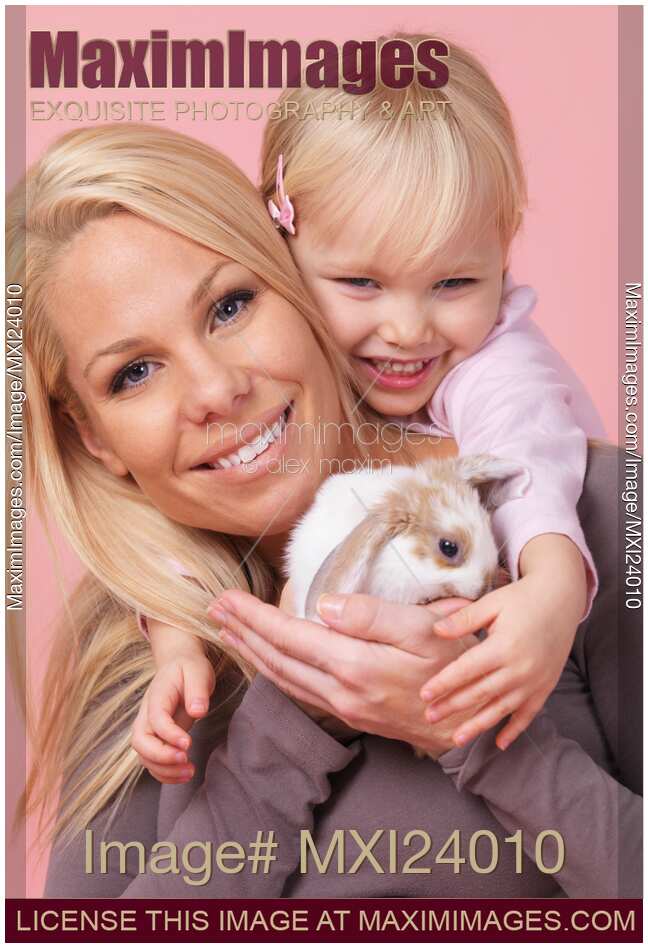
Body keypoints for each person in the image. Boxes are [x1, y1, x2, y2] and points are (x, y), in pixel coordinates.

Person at [15, 125, 640, 900]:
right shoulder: (136, 658)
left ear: (300, 284)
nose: (215, 391)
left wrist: (471, 728)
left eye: (231, 305)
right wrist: (290, 721)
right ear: (93, 436)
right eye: (136, 372)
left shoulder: (588, 517)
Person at [137, 35, 610, 771]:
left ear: (504, 255)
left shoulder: (495, 360)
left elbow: (524, 445)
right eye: (361, 283)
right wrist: (173, 641)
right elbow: (176, 523)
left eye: (454, 284)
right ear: (282, 247)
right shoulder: (278, 378)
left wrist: (549, 585)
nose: (407, 331)